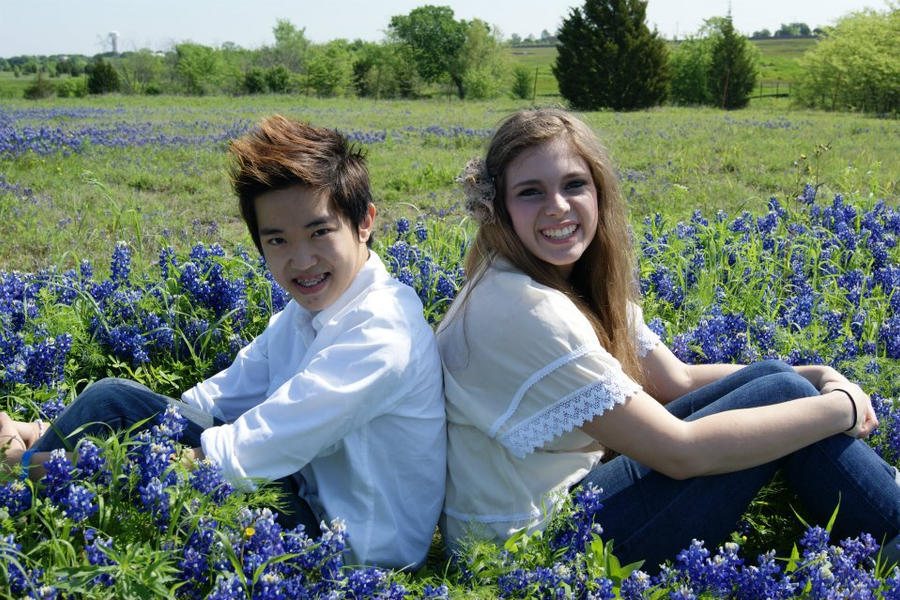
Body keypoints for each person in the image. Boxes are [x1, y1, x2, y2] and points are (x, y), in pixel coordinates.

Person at [436, 107, 900, 569]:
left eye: (574, 184)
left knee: (781, 382)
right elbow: (680, 452)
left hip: (565, 509)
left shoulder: (545, 280)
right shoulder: (528, 309)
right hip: (540, 550)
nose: (558, 206)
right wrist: (841, 408)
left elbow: (675, 379)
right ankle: (890, 522)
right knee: (784, 395)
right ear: (498, 207)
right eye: (530, 192)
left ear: (599, 192)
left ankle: (885, 514)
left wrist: (815, 374)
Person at [0, 114, 446, 569]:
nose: (302, 260)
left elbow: (233, 457)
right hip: (297, 490)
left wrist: (36, 464)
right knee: (114, 400)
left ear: (364, 221)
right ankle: (25, 498)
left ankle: (17, 504)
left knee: (126, 446)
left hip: (344, 551)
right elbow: (212, 401)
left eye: (320, 232)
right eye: (277, 240)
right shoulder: (310, 311)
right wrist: (36, 431)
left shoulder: (380, 333)